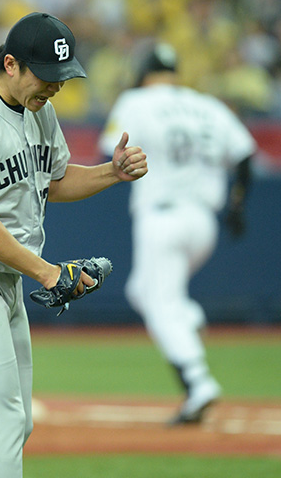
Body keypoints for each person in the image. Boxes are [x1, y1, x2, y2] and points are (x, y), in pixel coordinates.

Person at [0, 12, 147, 478]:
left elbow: (52, 180)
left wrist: (110, 172)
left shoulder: (38, 107)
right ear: (12, 64)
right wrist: (48, 273)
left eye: (62, 77)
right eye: (47, 76)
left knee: (16, 425)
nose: (55, 87)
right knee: (2, 422)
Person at [98, 43, 256, 425]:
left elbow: (110, 152)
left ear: (144, 74)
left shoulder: (136, 100)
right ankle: (189, 317)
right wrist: (237, 204)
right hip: (204, 223)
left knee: (160, 303)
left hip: (162, 218)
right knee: (144, 292)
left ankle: (199, 383)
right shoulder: (207, 104)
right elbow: (245, 154)